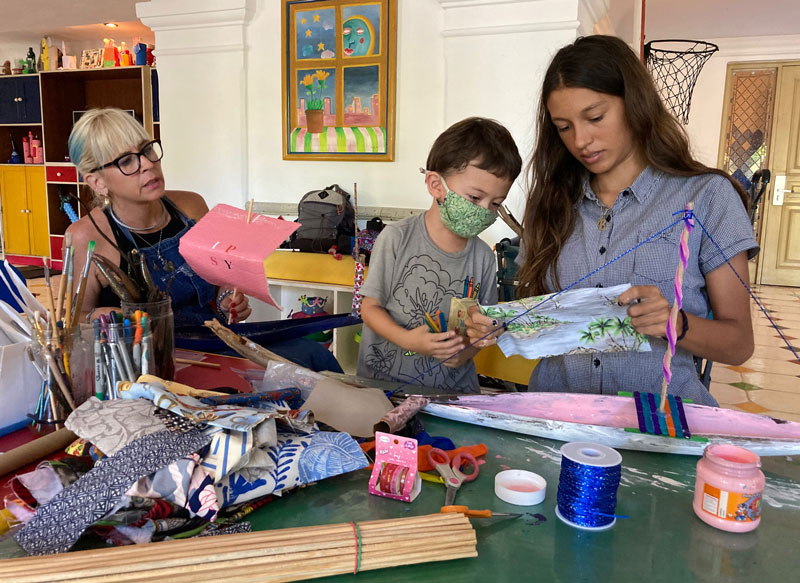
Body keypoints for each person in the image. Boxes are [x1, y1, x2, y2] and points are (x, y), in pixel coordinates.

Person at [466, 35, 758, 407]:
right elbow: (539, 319)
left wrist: (675, 323)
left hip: (661, 425)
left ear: (635, 104)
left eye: (595, 117)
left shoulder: (707, 197)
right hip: (557, 418)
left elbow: (739, 345)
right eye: (564, 126)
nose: (581, 140)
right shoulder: (551, 205)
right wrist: (497, 325)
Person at [66, 107, 341, 372]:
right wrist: (110, 316)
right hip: (144, 366)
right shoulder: (86, 237)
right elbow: (74, 321)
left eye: (147, 149)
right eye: (127, 161)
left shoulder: (191, 207)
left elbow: (220, 280)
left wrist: (226, 301)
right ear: (97, 182)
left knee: (313, 357)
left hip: (215, 346)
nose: (148, 164)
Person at [358, 117, 522, 392]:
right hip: (384, 393)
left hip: (452, 396)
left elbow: (480, 329)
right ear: (436, 185)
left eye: (495, 203)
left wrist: (467, 351)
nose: (484, 210)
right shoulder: (397, 238)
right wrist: (409, 340)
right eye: (474, 198)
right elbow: (369, 308)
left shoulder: (482, 256)